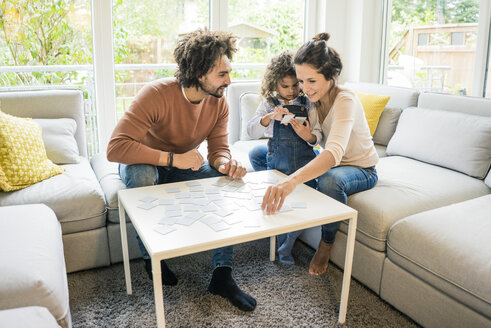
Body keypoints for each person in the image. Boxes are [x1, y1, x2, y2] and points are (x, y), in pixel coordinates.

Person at [107, 28, 256, 312]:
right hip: (144, 160)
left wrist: (225, 164)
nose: (229, 80)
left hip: (179, 164)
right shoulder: (156, 94)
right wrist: (173, 158)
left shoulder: (218, 102)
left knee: (221, 183)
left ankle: (222, 274)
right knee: (142, 176)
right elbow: (115, 147)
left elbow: (218, 149)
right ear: (200, 74)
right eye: (222, 74)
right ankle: (153, 258)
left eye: (228, 72)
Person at [261, 32, 379, 275]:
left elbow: (333, 153)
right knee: (260, 154)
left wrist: (291, 181)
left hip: (361, 169)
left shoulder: (346, 100)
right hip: (333, 163)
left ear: (331, 76)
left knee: (328, 179)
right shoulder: (313, 101)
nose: (304, 88)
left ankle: (326, 244)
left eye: (311, 81)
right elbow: (316, 139)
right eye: (301, 81)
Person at [246, 51, 322, 264]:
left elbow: (317, 137)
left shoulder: (308, 103)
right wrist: (269, 117)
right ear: (274, 84)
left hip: (303, 160)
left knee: (305, 200)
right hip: (278, 162)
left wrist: (308, 135)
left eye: (295, 85)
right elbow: (250, 131)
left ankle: (287, 246)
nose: (291, 91)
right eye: (284, 86)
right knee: (256, 154)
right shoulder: (269, 104)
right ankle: (278, 234)